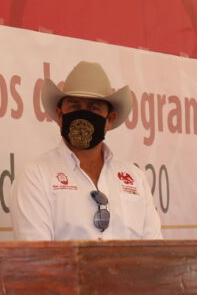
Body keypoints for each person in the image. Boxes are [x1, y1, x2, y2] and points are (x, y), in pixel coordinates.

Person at [9, 61, 162, 240]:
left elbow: (154, 252)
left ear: (110, 120)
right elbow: (37, 258)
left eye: (93, 108)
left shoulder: (135, 177)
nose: (83, 115)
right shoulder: (36, 175)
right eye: (74, 106)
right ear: (60, 115)